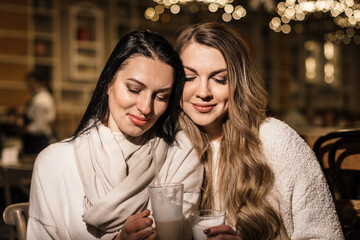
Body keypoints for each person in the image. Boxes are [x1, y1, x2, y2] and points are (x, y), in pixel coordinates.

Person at [27, 30, 203, 240]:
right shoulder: (54, 162)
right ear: (109, 82)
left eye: (161, 96)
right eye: (134, 89)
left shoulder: (180, 153)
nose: (146, 108)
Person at [175, 23, 344, 239]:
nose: (203, 92)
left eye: (220, 79)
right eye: (190, 78)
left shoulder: (276, 140)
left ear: (239, 83)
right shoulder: (173, 146)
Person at [22, 71, 56, 153]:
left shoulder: (40, 100)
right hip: (38, 138)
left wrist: (24, 129)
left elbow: (39, 126)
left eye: (30, 82)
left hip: (37, 139)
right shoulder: (42, 97)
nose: (28, 85)